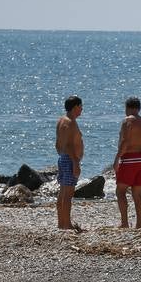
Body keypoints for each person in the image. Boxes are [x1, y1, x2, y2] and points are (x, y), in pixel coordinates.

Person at [113, 97, 141, 229]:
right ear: (139, 108)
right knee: (137, 194)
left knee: (120, 191)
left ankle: (125, 223)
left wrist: (117, 158)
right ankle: (139, 225)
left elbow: (125, 141)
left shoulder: (127, 120)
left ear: (127, 108)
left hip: (130, 159)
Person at [55, 96, 85, 232]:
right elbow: (68, 145)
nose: (82, 109)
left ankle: (62, 222)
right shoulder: (71, 123)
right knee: (68, 194)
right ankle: (66, 224)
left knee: (62, 193)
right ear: (75, 107)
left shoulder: (61, 121)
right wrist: (75, 163)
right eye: (80, 106)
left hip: (63, 158)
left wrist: (63, 156)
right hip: (69, 160)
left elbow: (58, 144)